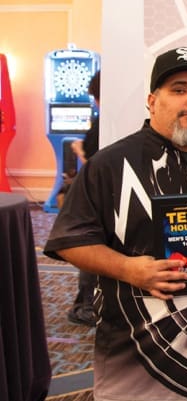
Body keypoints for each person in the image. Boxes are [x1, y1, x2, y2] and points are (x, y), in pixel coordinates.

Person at [44, 47, 187, 401]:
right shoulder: (110, 163)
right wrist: (129, 269)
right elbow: (70, 240)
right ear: (153, 101)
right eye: (179, 89)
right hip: (131, 371)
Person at [66, 70, 100, 327]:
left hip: (94, 198)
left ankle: (87, 306)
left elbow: (92, 163)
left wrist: (78, 149)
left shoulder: (99, 125)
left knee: (91, 249)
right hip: (99, 197)